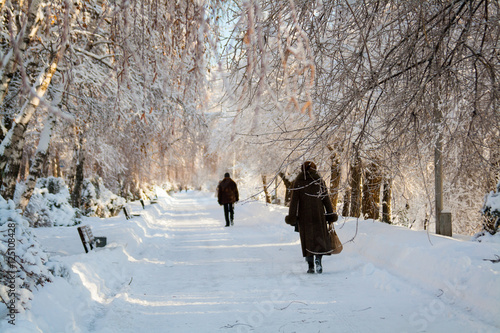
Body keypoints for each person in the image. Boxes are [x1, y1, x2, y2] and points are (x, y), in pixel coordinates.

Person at [285, 161, 338, 274]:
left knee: (307, 240)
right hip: (319, 215)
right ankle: (318, 260)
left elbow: (294, 202)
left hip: (304, 216)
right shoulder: (319, 181)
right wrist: (330, 214)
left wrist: (292, 216)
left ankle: (310, 266)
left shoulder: (298, 182)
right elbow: (326, 199)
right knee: (319, 238)